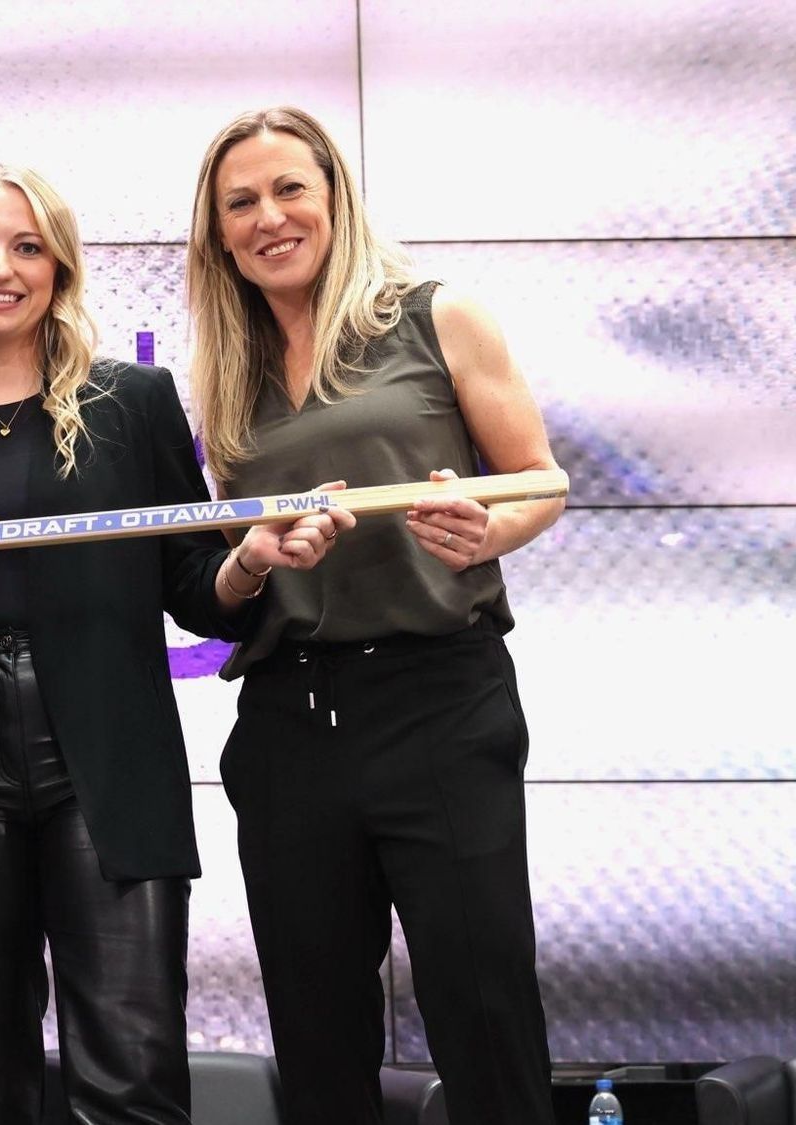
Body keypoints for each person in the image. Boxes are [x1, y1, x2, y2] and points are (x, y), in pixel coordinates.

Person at [0, 164, 349, 1124]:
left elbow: (199, 589)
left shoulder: (133, 403)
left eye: (28, 247)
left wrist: (254, 559)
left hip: (109, 767)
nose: (0, 269)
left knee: (132, 1080)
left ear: (60, 271)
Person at [186, 106, 564, 1125]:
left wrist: (485, 532)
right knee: (317, 1043)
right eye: (240, 202)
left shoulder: (436, 313)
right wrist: (254, 562)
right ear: (217, 231)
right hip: (287, 721)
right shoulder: (225, 368)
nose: (268, 216)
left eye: (287, 189)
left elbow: (539, 479)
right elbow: (234, 555)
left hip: (438, 699)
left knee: (484, 1016)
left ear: (333, 197)